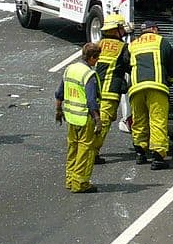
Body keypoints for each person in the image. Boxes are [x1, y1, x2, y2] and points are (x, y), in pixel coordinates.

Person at [128, 21, 173, 170]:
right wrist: (169, 81)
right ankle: (158, 157)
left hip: (136, 88)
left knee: (139, 120)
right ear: (155, 29)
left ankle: (140, 152)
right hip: (156, 87)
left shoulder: (132, 44)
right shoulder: (162, 41)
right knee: (157, 120)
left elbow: (125, 64)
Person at [55, 43, 103, 193]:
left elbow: (59, 93)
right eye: (97, 58)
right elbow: (91, 100)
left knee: (72, 149)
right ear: (92, 57)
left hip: (71, 117)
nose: (97, 61)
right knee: (85, 151)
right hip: (84, 118)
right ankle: (80, 183)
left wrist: (58, 110)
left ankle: (70, 180)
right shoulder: (88, 74)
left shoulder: (70, 69)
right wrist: (97, 119)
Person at [93, 14, 131, 164]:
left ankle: (89, 150)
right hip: (110, 92)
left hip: (96, 90)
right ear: (116, 30)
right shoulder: (122, 47)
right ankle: (92, 152)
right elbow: (129, 66)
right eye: (122, 28)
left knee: (95, 121)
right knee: (103, 122)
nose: (124, 30)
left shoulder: (99, 44)